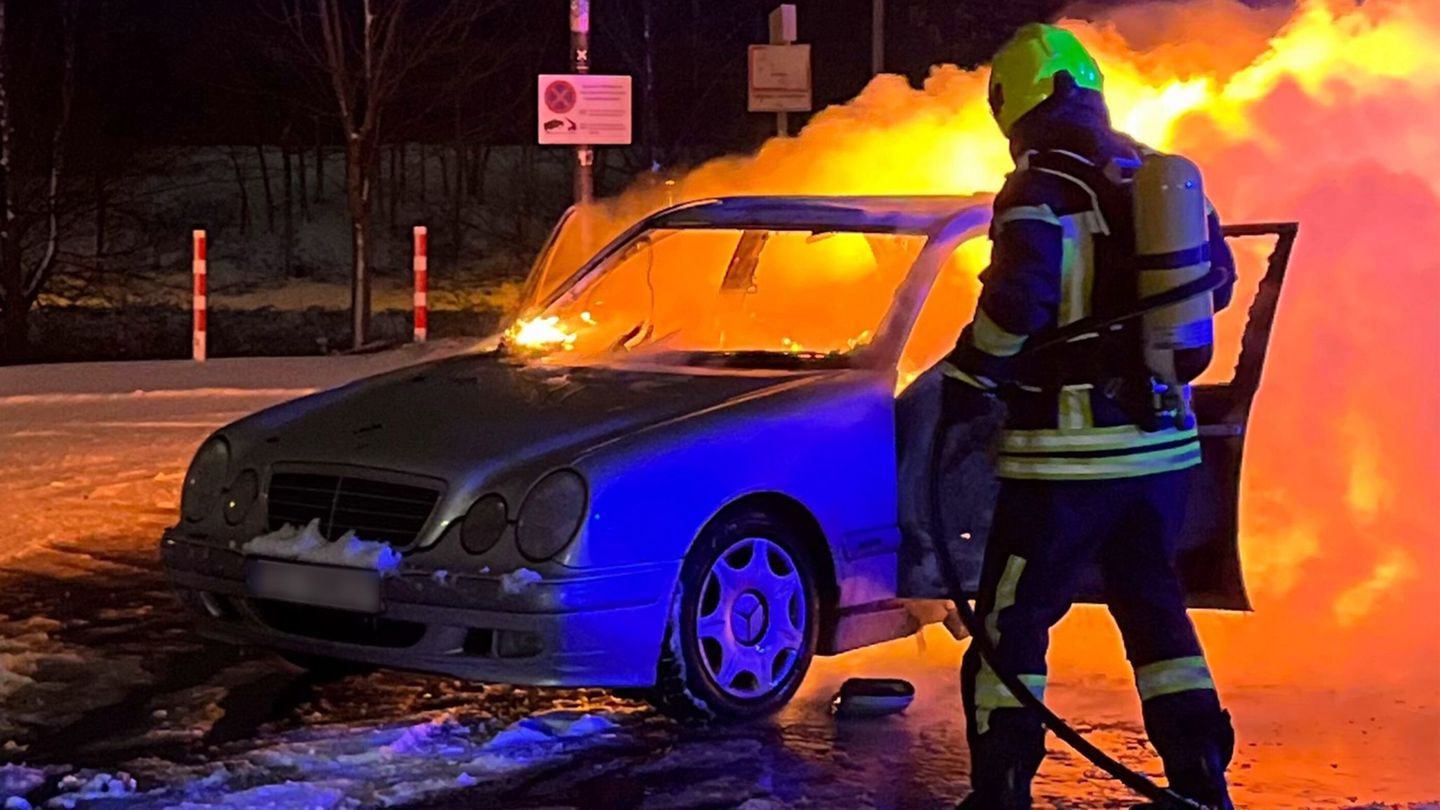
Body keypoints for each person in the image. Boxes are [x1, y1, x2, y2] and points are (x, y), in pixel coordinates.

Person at [941, 23, 1238, 810]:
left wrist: (971, 373)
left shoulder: (1041, 186)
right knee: (1156, 616)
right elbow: (1222, 281)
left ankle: (1001, 788)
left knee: (1012, 627)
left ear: (1011, 104)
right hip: (1163, 455)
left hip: (1064, 461)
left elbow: (1018, 302)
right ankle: (1200, 776)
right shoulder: (1154, 172)